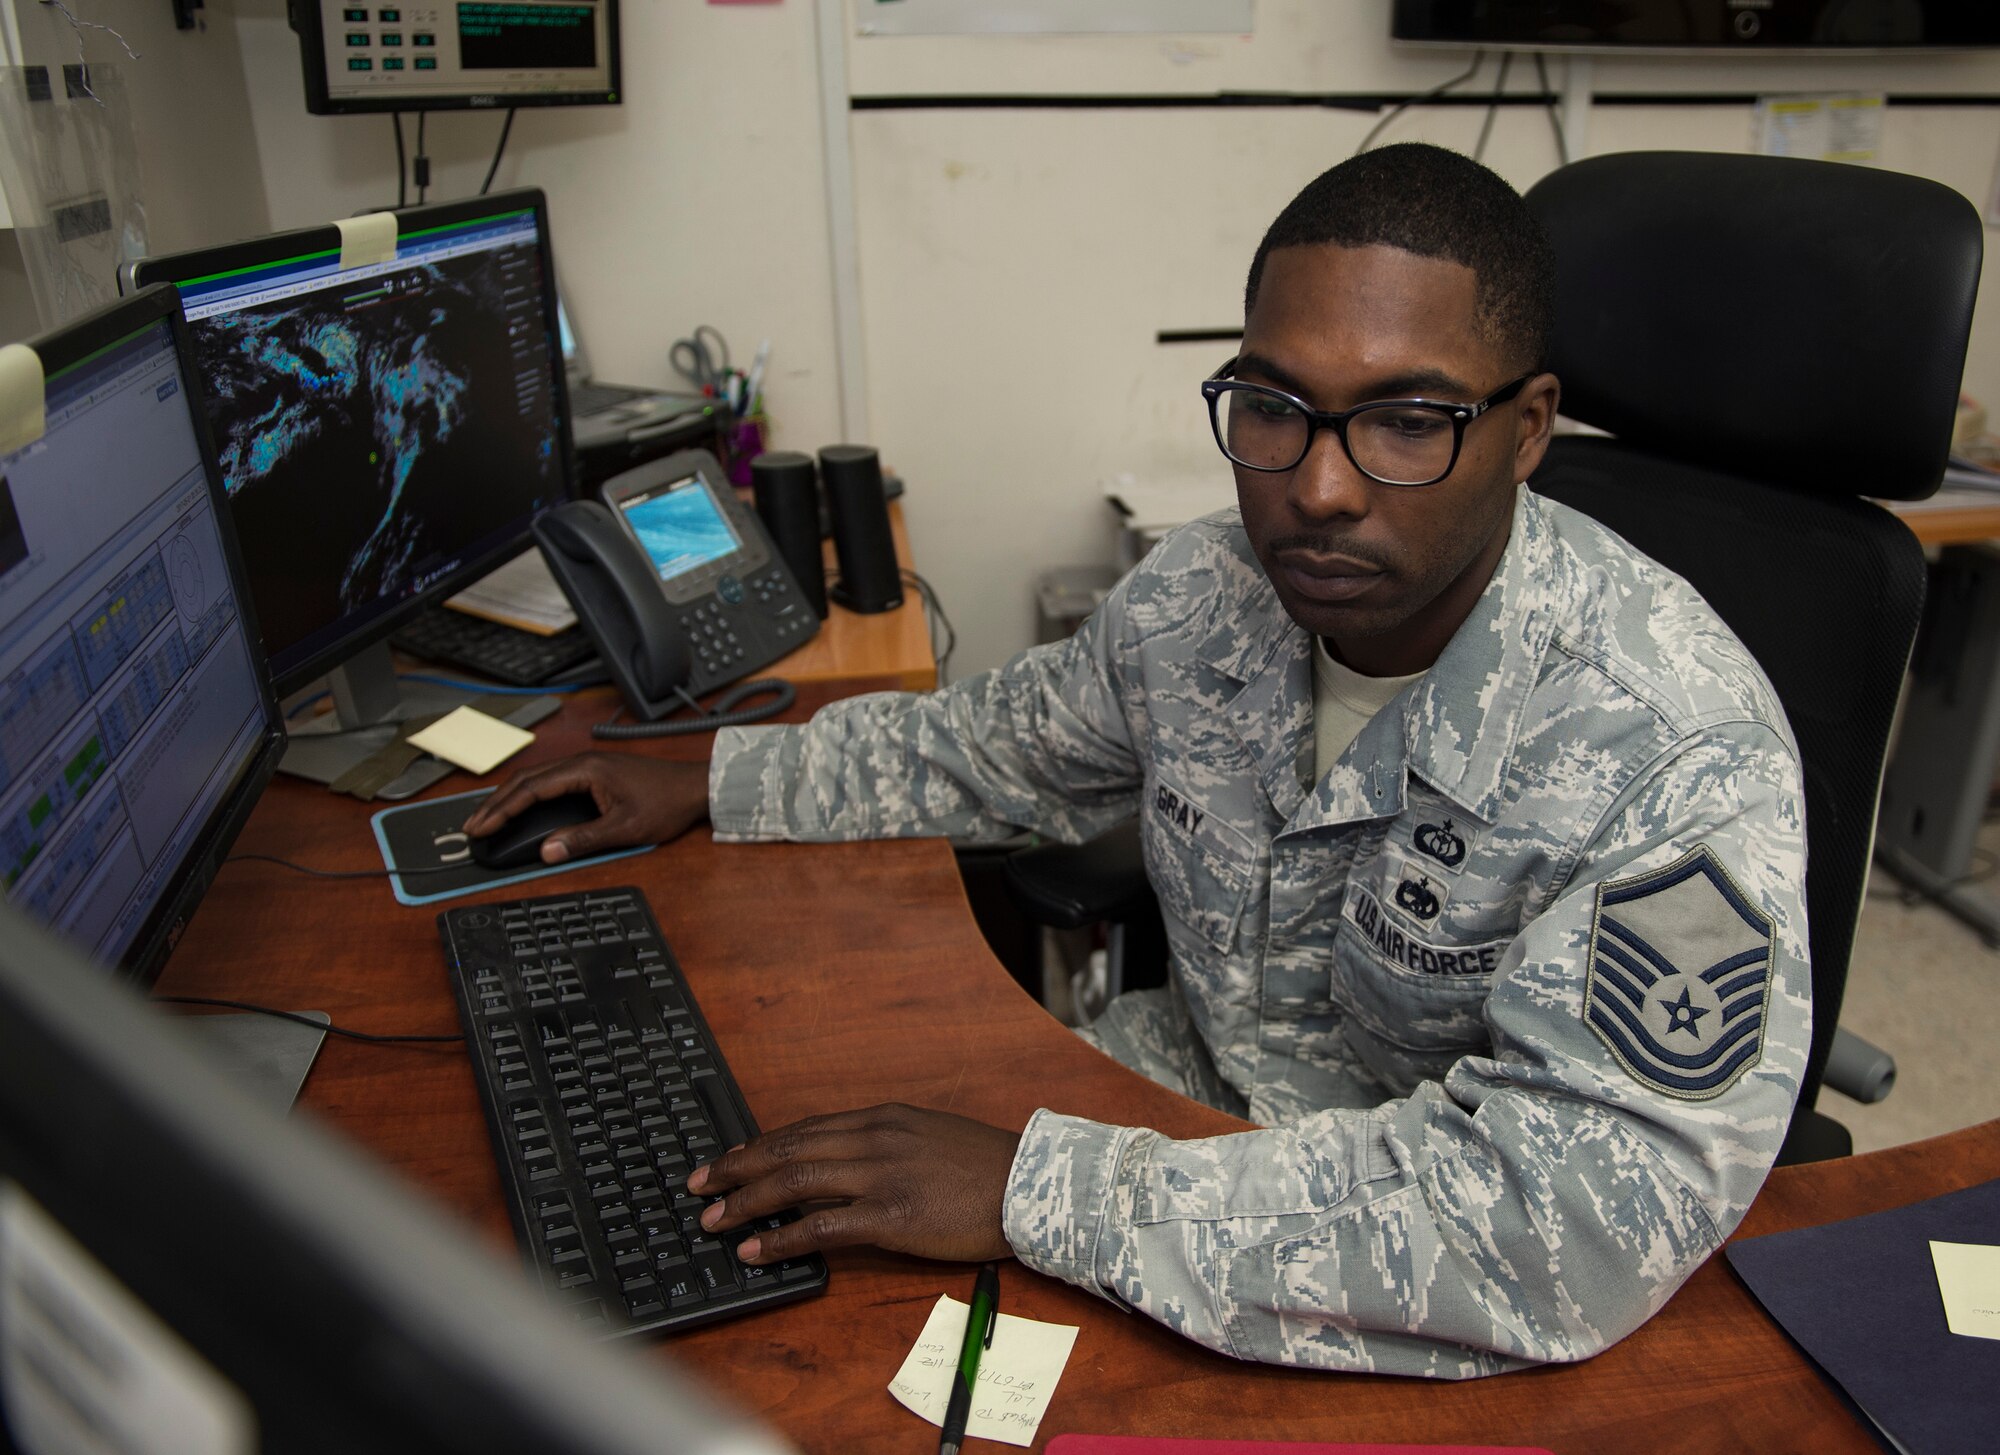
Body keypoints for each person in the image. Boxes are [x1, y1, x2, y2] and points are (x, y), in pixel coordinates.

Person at [467, 142, 1808, 1377]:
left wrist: (1038, 1195)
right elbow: (991, 751)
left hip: (1420, 1270)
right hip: (1162, 1109)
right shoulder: (1207, 594)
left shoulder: (1676, 744)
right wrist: (710, 778)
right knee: (765, 1315)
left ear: (1527, 433)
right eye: (1276, 406)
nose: (1320, 488)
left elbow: (1571, 1220)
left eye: (1407, 420)